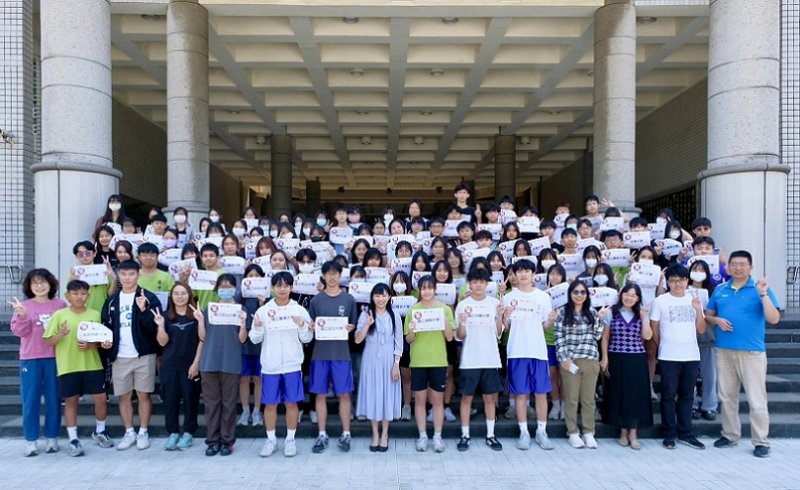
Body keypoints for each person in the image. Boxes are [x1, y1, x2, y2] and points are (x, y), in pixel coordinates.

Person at [705, 250, 780, 458]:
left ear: (750, 267)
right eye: (734, 264)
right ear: (727, 267)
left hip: (752, 353)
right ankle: (729, 434)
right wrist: (716, 321)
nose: (738, 268)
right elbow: (708, 315)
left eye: (742, 264)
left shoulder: (759, 289)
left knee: (757, 399)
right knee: (727, 396)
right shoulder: (720, 290)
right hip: (724, 351)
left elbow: (774, 319)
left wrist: (763, 294)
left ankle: (761, 441)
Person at [44, 280, 114, 457]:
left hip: (93, 365)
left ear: (88, 295)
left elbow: (102, 340)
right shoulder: (59, 315)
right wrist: (61, 333)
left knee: (101, 398)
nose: (79, 297)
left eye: (83, 293)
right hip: (68, 366)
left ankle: (100, 431)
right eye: (75, 293)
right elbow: (47, 341)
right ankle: (73, 439)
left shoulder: (95, 314)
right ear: (68, 296)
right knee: (71, 401)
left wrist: (95, 345)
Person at [250, 271, 313, 458]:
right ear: (273, 287)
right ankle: (271, 440)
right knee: (269, 405)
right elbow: (254, 339)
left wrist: (303, 325)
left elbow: (307, 337)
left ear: (292, 287)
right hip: (270, 366)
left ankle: (290, 440)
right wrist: (259, 327)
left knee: (292, 404)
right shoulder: (263, 311)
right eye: (278, 285)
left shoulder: (299, 310)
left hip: (293, 365)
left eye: (286, 285)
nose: (282, 289)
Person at [100, 260, 160, 451]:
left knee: (143, 394)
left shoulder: (149, 297)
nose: (127, 278)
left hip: (144, 354)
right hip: (120, 355)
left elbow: (154, 327)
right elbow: (105, 326)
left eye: (131, 274)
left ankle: (143, 431)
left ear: (138, 275)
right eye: (123, 274)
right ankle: (129, 432)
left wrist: (143, 310)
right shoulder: (111, 300)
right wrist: (105, 341)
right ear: (118, 276)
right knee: (124, 396)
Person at [9, 269, 66, 456]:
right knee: (30, 401)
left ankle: (52, 438)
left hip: (54, 358)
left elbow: (66, 330)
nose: (39, 286)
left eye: (43, 282)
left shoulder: (60, 305)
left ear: (51, 284)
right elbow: (19, 332)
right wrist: (23, 316)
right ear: (29, 286)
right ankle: (31, 441)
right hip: (30, 359)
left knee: (54, 400)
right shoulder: (23, 306)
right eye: (35, 283)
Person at [650, 264, 707, 450]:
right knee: (667, 396)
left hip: (691, 355)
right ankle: (669, 434)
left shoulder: (694, 299)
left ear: (687, 281)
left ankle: (686, 433)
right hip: (669, 356)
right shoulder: (660, 301)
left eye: (681, 280)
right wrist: (664, 346)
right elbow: (654, 330)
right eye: (673, 281)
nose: (677, 284)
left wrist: (698, 310)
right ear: (667, 282)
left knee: (687, 396)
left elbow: (701, 329)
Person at [502, 259, 556, 451]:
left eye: (527, 271)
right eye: (520, 271)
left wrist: (550, 320)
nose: (523, 274)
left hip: (538, 351)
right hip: (516, 351)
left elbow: (544, 325)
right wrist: (503, 316)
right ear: (514, 275)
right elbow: (504, 328)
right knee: (520, 394)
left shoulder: (543, 297)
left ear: (534, 274)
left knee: (541, 393)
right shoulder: (508, 297)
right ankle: (523, 432)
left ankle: (542, 432)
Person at [308, 261, 359, 454]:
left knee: (344, 394)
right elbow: (311, 327)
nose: (332, 277)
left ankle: (346, 434)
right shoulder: (316, 301)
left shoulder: (348, 300)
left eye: (335, 274)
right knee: (320, 395)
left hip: (341, 355)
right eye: (328, 274)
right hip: (320, 355)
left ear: (340, 275)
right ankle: (322, 434)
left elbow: (353, 324)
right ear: (323, 276)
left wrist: (351, 327)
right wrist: (311, 327)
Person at [454, 268, 505, 452]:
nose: (478, 285)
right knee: (466, 398)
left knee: (490, 398)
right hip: (470, 359)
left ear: (486, 284)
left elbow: (499, 333)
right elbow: (459, 336)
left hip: (490, 358)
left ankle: (491, 435)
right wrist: (461, 323)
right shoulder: (462, 305)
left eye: (481, 282)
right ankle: (465, 435)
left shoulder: (494, 303)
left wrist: (501, 315)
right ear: (470, 284)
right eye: (474, 282)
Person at [553, 281, 608, 449]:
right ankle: (573, 432)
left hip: (590, 359)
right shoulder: (562, 313)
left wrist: (599, 319)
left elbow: (598, 336)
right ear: (570, 294)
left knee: (588, 399)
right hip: (570, 361)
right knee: (571, 399)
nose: (579, 295)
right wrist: (564, 358)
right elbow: (558, 336)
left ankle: (589, 432)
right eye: (575, 292)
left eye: (582, 292)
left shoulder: (591, 312)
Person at [198, 274, 249, 456]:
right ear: (217, 288)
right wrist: (199, 320)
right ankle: (212, 441)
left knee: (228, 404)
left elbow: (242, 339)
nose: (226, 288)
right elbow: (203, 337)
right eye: (222, 285)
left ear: (235, 288)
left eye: (229, 285)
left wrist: (243, 323)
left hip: (231, 362)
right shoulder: (208, 310)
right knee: (212, 405)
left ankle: (227, 441)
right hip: (209, 362)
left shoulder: (240, 310)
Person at [404, 276, 456, 453]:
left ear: (435, 290)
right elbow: (409, 340)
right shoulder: (413, 310)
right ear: (419, 290)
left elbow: (449, 337)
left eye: (430, 288)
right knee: (419, 400)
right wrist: (411, 329)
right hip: (418, 361)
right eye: (423, 288)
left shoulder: (444, 309)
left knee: (437, 401)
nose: (426, 291)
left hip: (438, 361)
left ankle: (437, 437)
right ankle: (422, 436)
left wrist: (443, 322)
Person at [600, 284, 654, 450]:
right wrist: (605, 358)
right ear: (621, 295)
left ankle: (633, 433)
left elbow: (647, 336)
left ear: (638, 298)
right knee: (619, 394)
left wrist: (645, 318)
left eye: (633, 295)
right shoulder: (611, 313)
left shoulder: (641, 314)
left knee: (635, 396)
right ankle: (623, 432)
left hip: (636, 359)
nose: (629, 298)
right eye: (626, 294)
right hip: (616, 358)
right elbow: (605, 338)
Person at [154, 283, 204, 451]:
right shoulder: (166, 316)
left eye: (183, 293)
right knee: (170, 401)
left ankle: (189, 433)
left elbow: (202, 340)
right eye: (176, 293)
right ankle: (173, 433)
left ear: (189, 295)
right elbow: (162, 342)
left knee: (191, 400)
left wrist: (196, 363)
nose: (180, 296)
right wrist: (160, 326)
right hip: (170, 366)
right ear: (171, 296)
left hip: (190, 366)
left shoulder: (195, 315)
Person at [355, 283, 403, 452]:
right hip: (370, 358)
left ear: (389, 296)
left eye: (384, 295)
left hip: (388, 359)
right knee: (373, 394)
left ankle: (385, 434)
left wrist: (396, 364)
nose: (380, 299)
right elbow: (357, 340)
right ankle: (375, 433)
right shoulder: (366, 314)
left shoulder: (395, 315)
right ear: (372, 297)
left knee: (387, 394)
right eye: (377, 295)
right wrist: (367, 324)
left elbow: (399, 342)